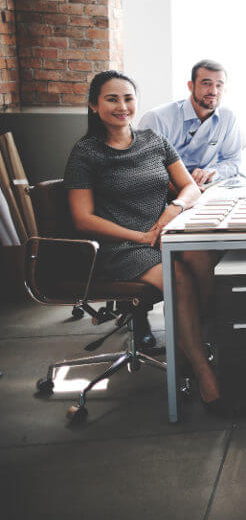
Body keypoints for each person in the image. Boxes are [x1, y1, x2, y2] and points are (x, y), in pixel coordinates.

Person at [64, 71, 218, 409]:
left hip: (161, 233)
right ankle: (201, 365)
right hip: (119, 246)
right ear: (93, 105)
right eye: (111, 99)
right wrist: (141, 235)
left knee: (202, 258)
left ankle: (191, 338)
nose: (122, 106)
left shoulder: (153, 140)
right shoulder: (86, 153)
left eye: (128, 98)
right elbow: (82, 219)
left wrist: (172, 209)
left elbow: (190, 187)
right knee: (177, 279)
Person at [140, 59, 243, 186]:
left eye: (219, 85)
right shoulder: (156, 118)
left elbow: (233, 160)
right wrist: (186, 190)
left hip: (201, 188)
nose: (213, 91)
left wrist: (210, 173)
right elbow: (146, 171)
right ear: (191, 86)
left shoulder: (227, 117)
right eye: (206, 83)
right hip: (164, 191)